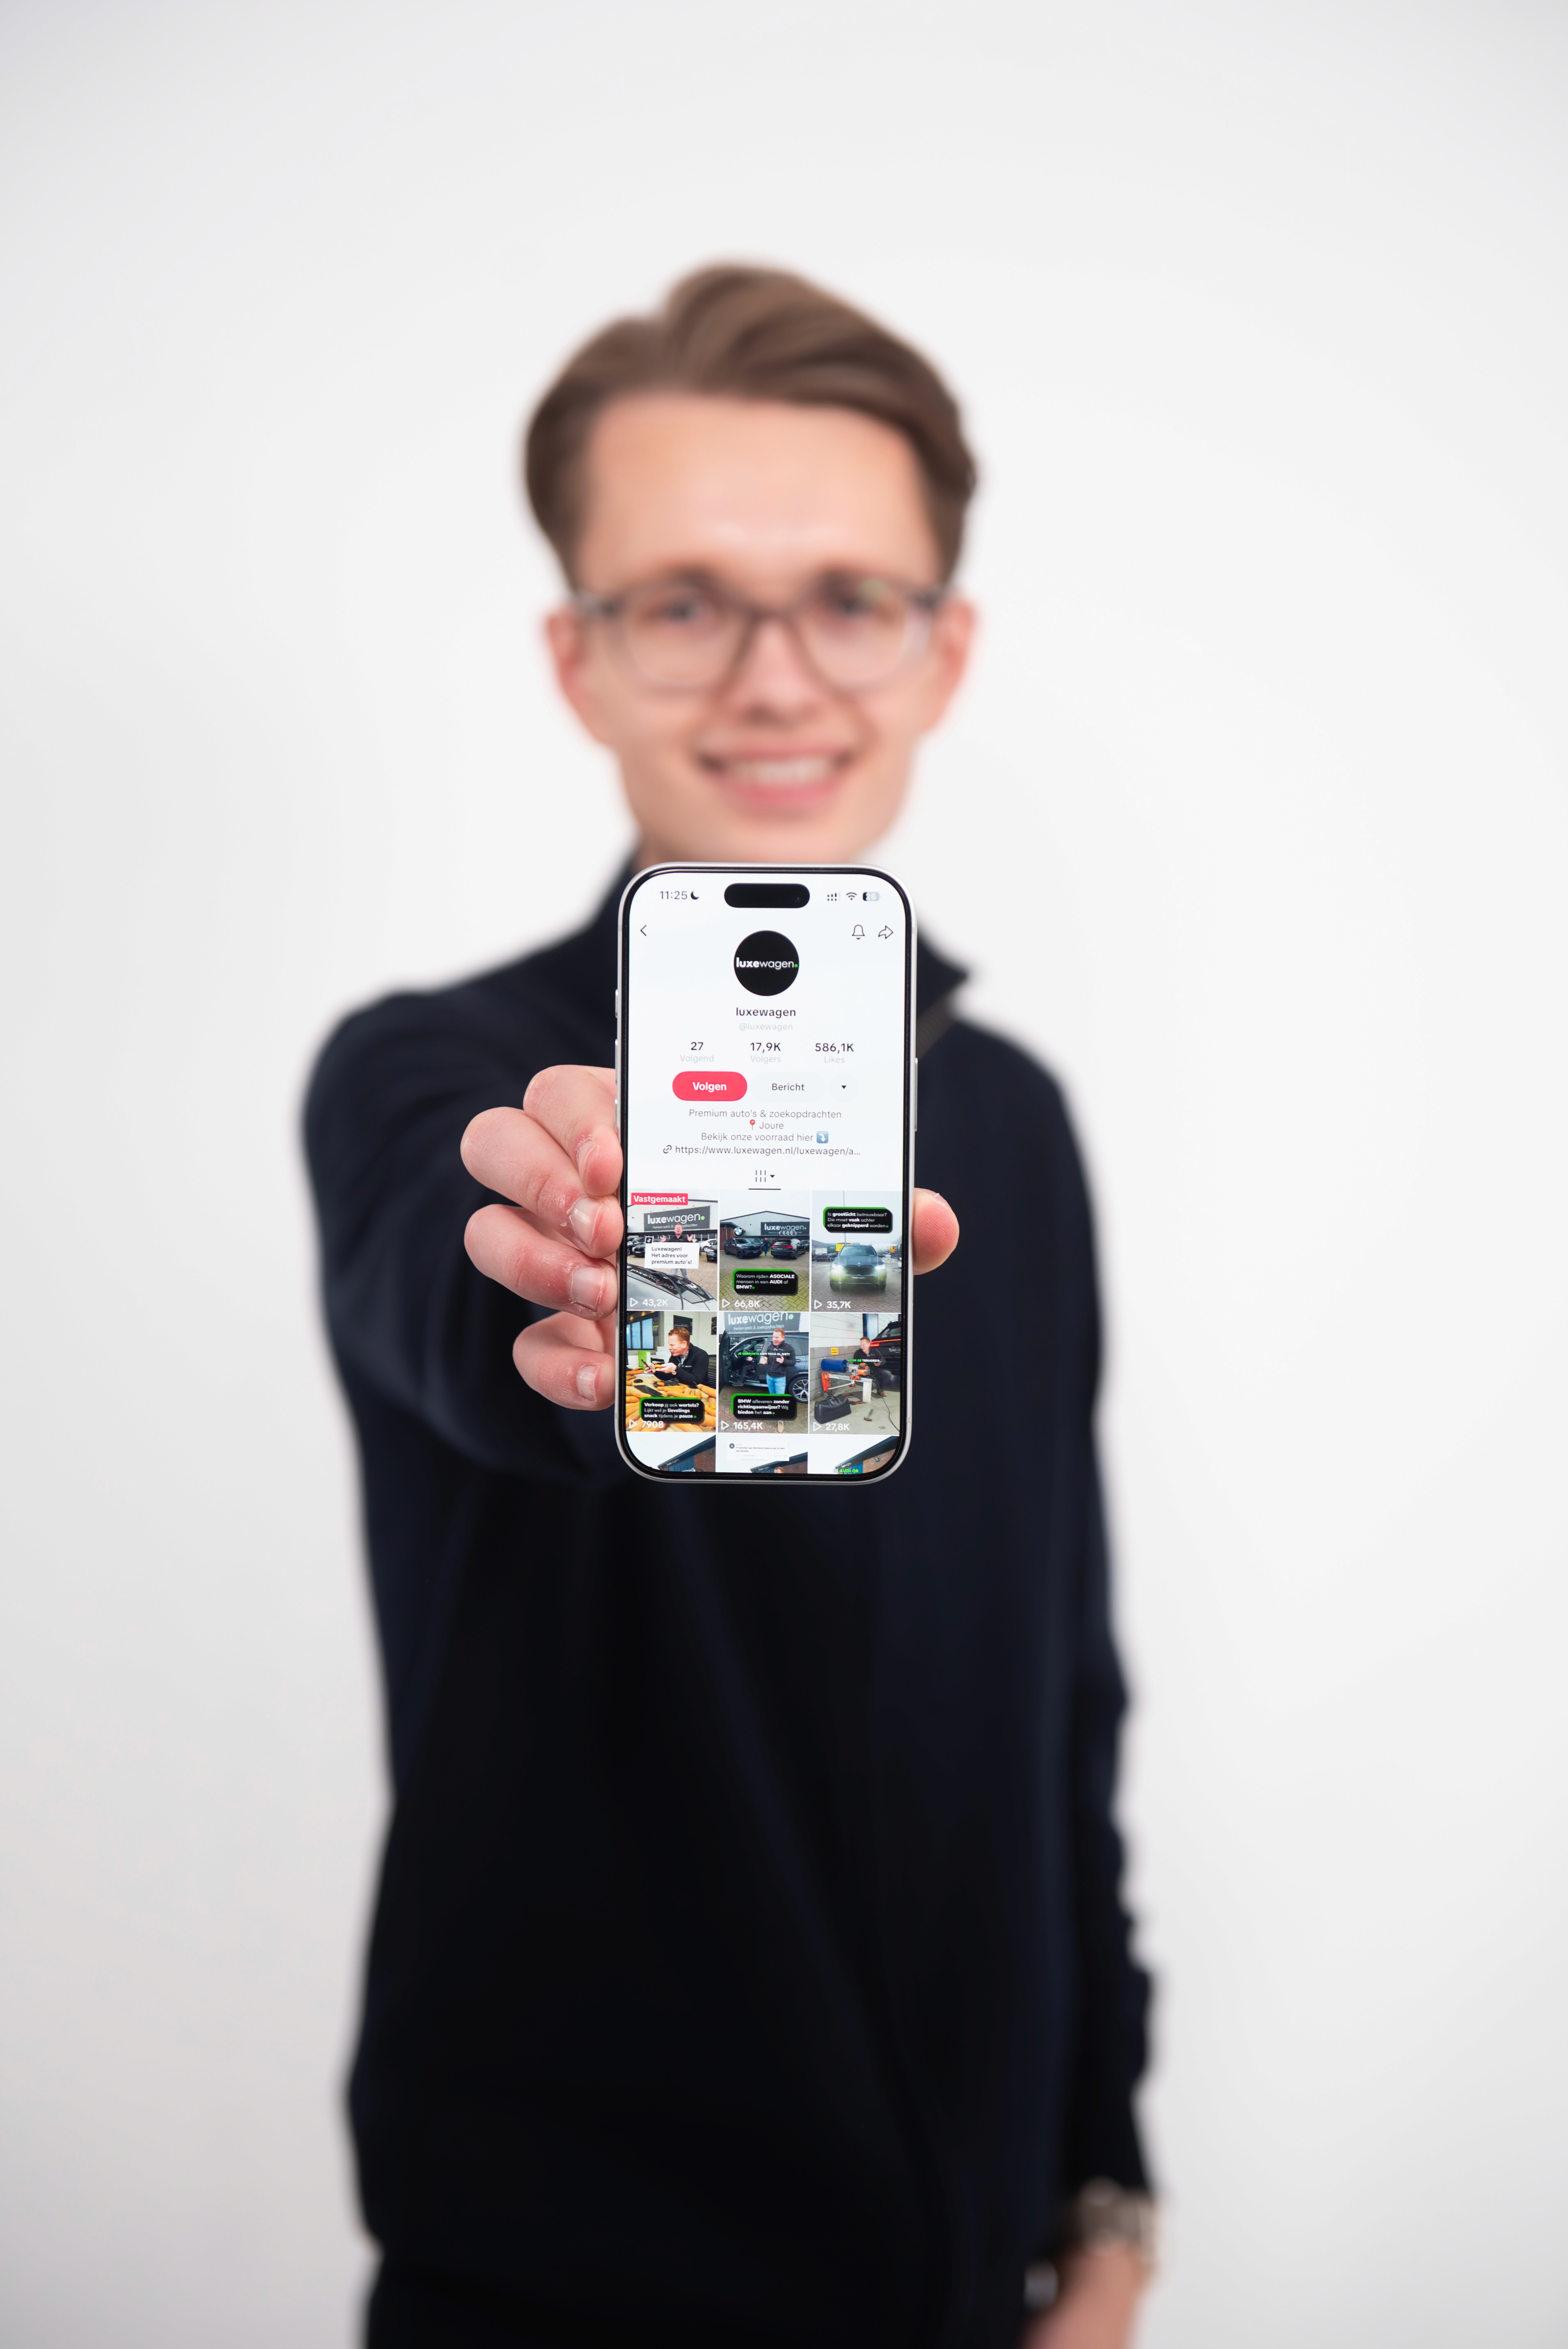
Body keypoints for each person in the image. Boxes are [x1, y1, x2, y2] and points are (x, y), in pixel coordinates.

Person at [307, 264, 1153, 2349]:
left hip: (981, 2288)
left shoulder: (1017, 1125)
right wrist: (555, 1294)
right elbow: (459, 1304)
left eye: (849, 599)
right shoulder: (430, 1083)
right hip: (556, 2298)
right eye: (682, 601)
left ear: (940, 653)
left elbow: (1063, 1697)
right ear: (575, 659)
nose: (774, 677)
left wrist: (1104, 2182)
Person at [654, 1322, 711, 1389]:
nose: (669, 1348)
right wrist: (655, 1371)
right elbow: (666, 1377)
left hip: (700, 1391)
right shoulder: (675, 1355)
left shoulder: (701, 1356)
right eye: (669, 1345)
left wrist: (676, 1370)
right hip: (683, 1388)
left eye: (672, 1345)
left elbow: (696, 1382)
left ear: (684, 1344)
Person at [761, 1325, 797, 1396]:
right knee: (773, 1396)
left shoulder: (789, 1348)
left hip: (780, 1379)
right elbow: (767, 1356)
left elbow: (793, 1362)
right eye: (774, 1337)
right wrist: (765, 1358)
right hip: (769, 1377)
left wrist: (784, 1362)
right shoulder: (770, 1347)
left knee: (780, 1399)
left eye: (777, 1338)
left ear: (783, 1338)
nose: (774, 1339)